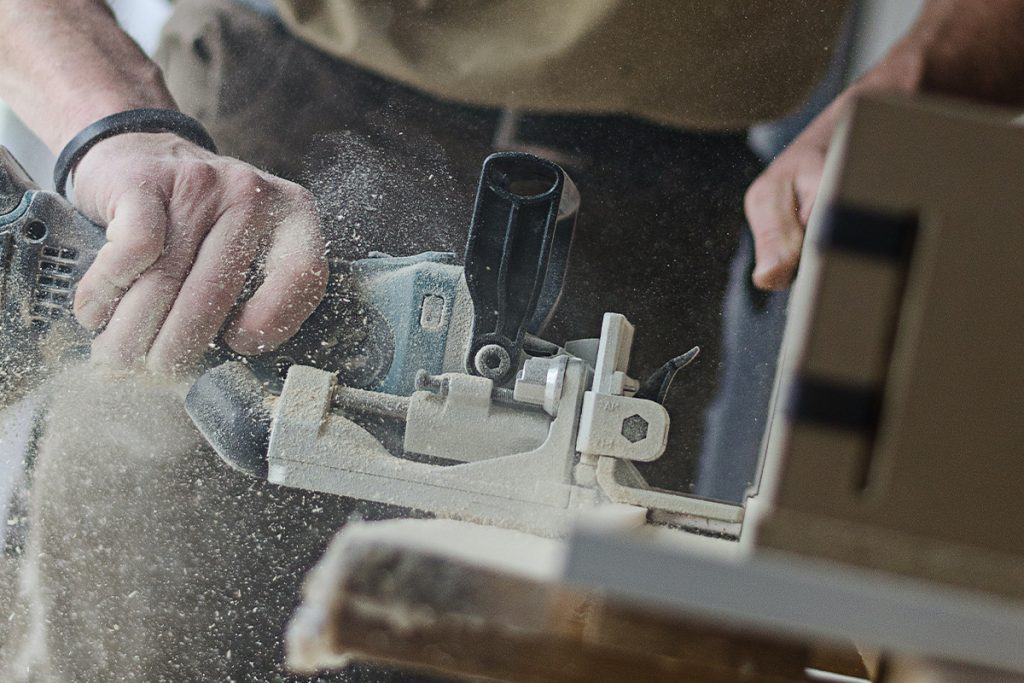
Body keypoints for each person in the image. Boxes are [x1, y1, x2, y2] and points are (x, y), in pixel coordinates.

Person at [1, 1, 1023, 680]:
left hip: (659, 171)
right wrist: (115, 125)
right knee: (139, 635)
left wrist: (929, 75)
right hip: (251, 153)